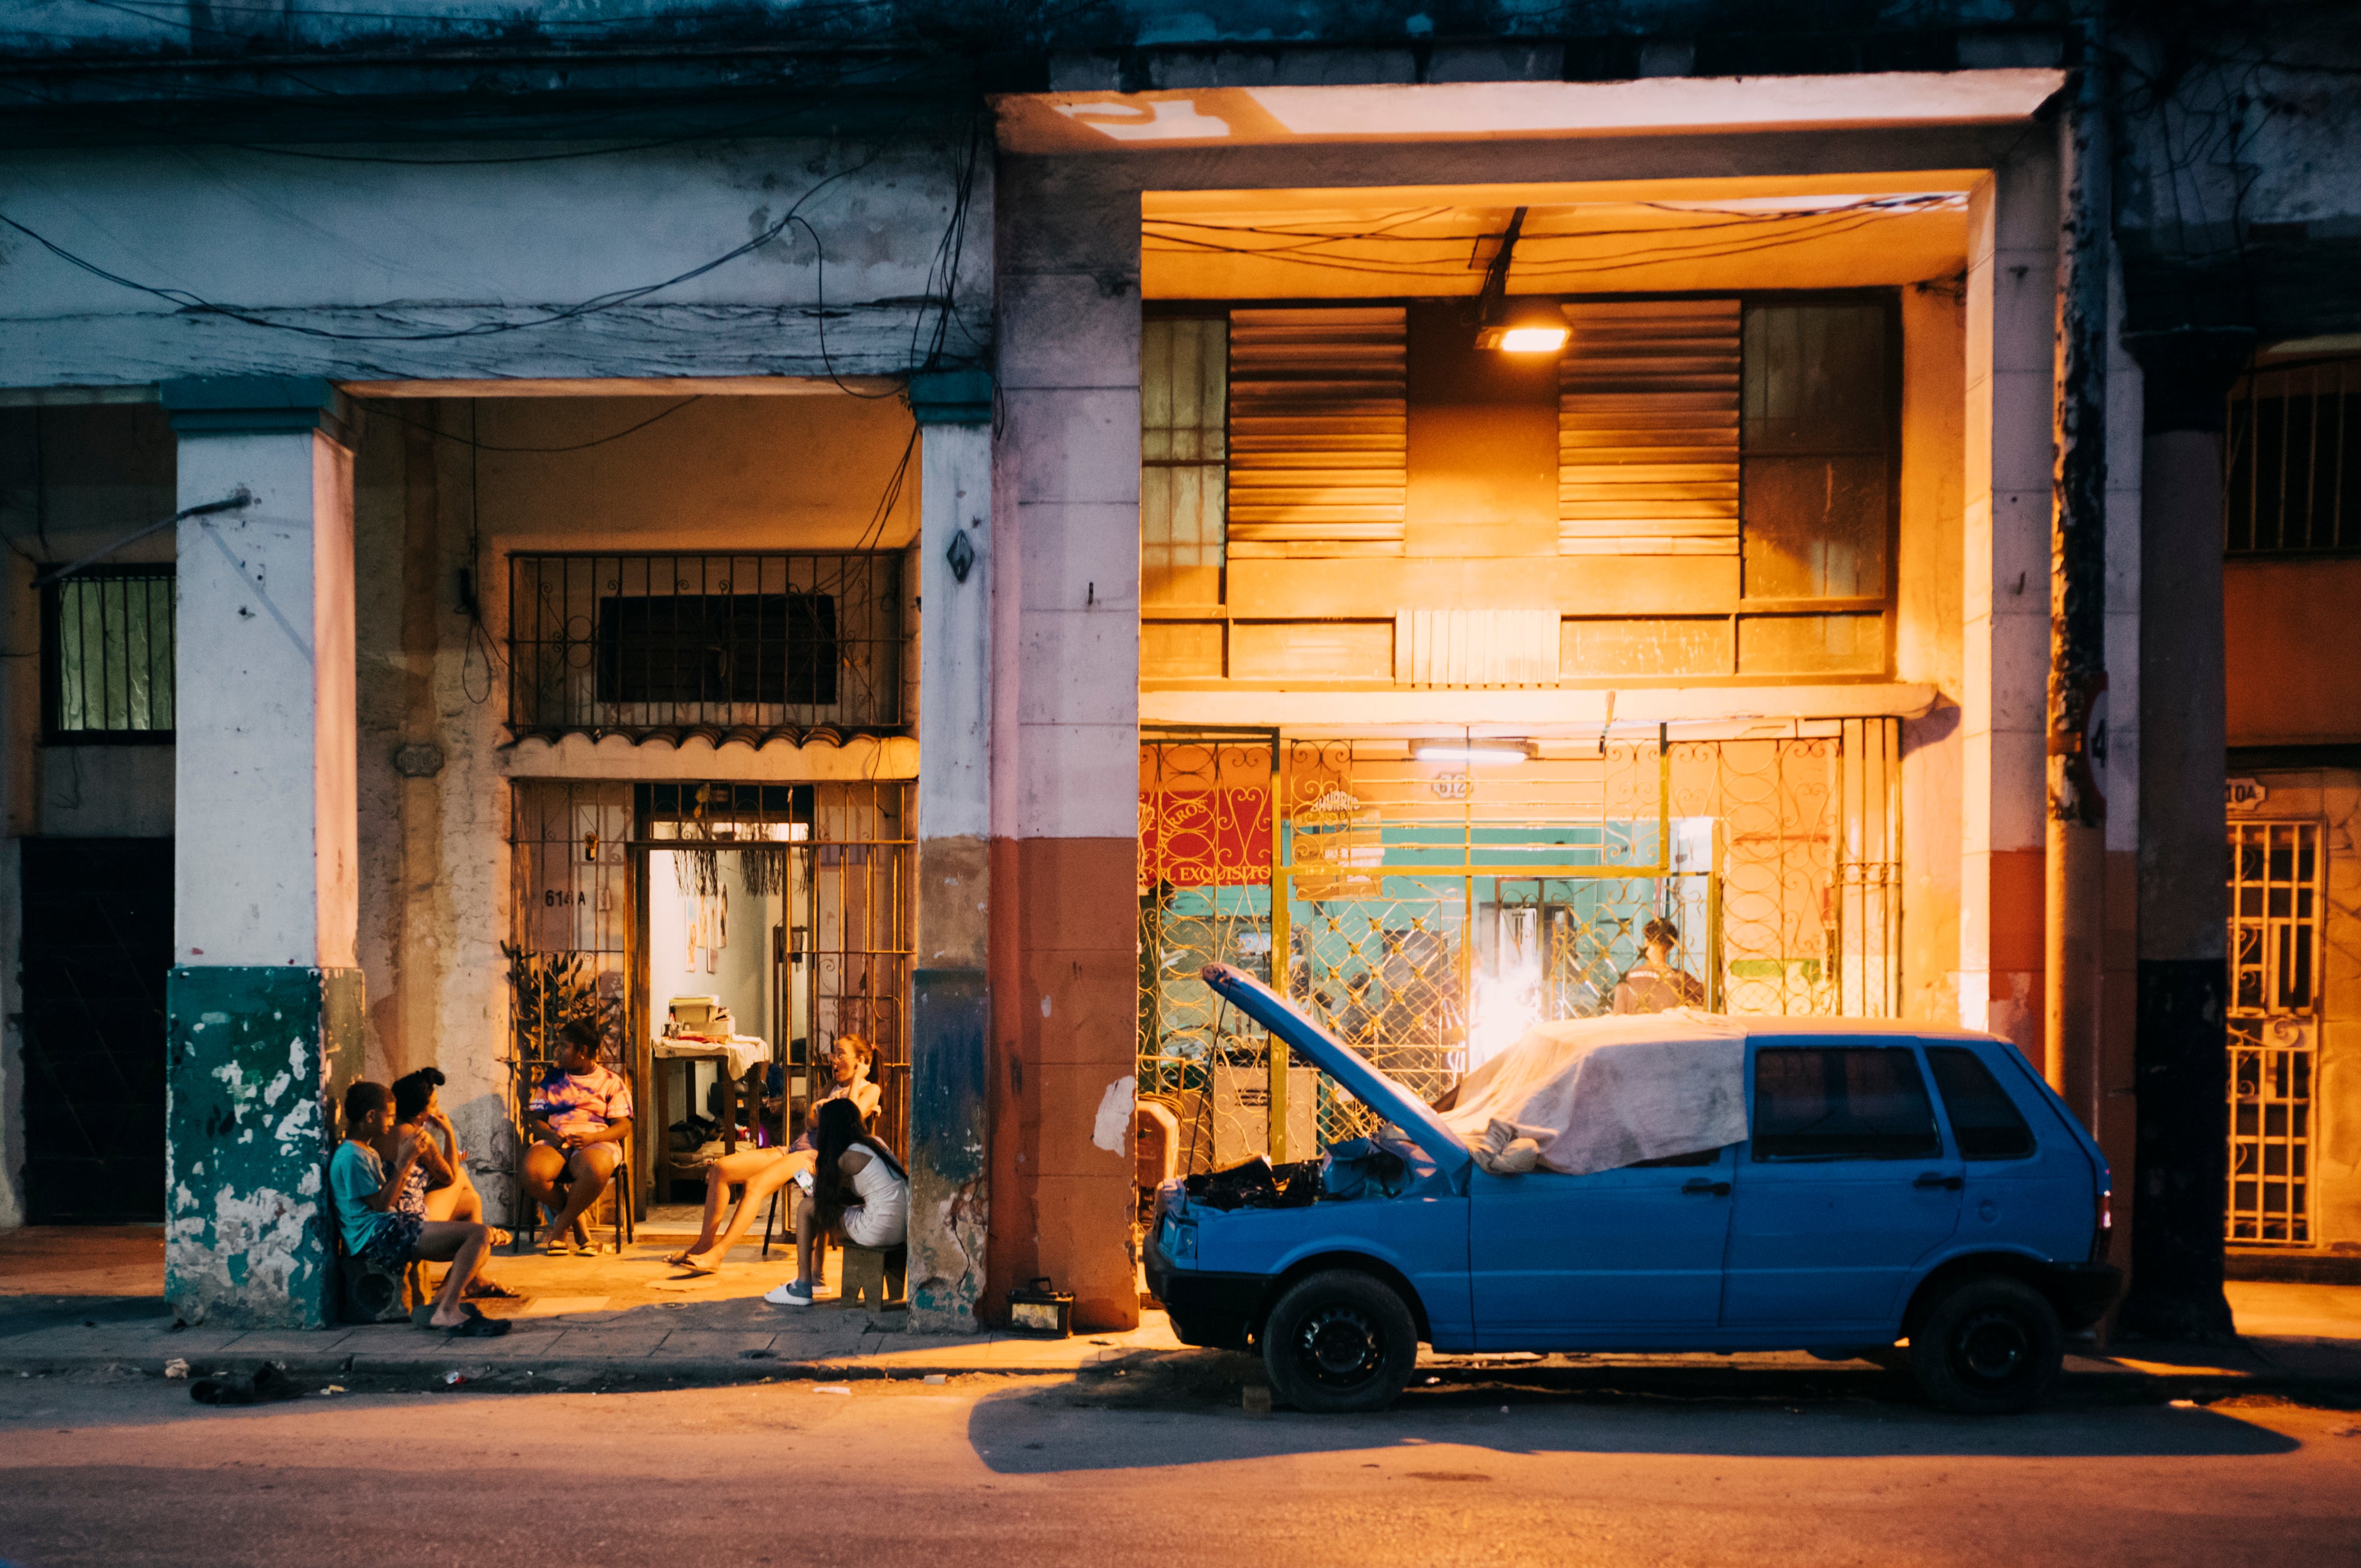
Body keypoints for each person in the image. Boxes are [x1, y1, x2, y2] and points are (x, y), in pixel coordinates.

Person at [665, 1034, 879, 1274]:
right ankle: (703, 1245)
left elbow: (846, 1120)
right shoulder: (832, 1086)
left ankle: (717, 1255)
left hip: (814, 1163)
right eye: (834, 1054)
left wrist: (852, 1086)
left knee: (755, 1185)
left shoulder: (870, 1090)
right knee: (721, 1169)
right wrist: (825, 1115)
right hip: (795, 1149)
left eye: (841, 1055)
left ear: (861, 1060)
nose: (834, 1061)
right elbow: (811, 1118)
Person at [331, 1080, 510, 1335]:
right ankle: (446, 1309)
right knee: (478, 1235)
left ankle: (441, 1305)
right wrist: (405, 1160)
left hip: (387, 1229)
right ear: (370, 1117)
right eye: (389, 1117)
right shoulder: (351, 1156)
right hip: (375, 1237)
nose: (393, 1123)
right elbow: (382, 1206)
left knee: (479, 1240)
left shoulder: (364, 1151)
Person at [381, 1067, 516, 1299]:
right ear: (420, 1113)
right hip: (409, 1219)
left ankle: (473, 1279)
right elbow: (450, 1176)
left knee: (472, 1200)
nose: (438, 1110)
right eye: (433, 1105)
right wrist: (449, 1132)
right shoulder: (418, 1138)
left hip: (396, 1212)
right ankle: (453, 1291)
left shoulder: (387, 1131)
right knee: (463, 1178)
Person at [764, 1095, 908, 1308]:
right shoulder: (875, 1143)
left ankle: (803, 1285)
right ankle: (815, 1276)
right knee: (824, 1209)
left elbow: (820, 1197)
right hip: (902, 1228)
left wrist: (802, 1177)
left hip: (880, 1228)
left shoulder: (846, 1157)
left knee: (806, 1208)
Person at [521, 1020, 635, 1254]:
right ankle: (581, 1230)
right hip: (557, 1140)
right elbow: (536, 1120)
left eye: (563, 1046)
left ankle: (559, 1230)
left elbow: (623, 1126)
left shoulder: (611, 1081)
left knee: (595, 1170)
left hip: (597, 1141)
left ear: (582, 1051)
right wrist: (550, 1135)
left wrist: (593, 1139)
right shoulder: (552, 1080)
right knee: (532, 1174)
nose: (557, 1051)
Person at [1611, 916, 1708, 1014]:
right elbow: (1709, 1000)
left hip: (1636, 1029)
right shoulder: (1682, 979)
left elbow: (1618, 1017)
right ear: (1671, 946)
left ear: (1646, 942)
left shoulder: (1627, 980)